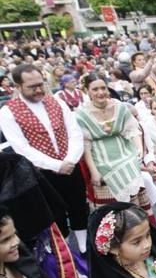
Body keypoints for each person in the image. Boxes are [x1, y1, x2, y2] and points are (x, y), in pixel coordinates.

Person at [0, 64, 89, 252]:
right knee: (54, 213)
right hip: (42, 173)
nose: (39, 90)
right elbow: (22, 148)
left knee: (78, 205)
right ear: (18, 86)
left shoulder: (57, 102)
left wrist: (70, 160)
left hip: (70, 164)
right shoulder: (7, 112)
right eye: (32, 87)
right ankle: (64, 251)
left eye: (41, 84)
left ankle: (83, 246)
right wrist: (56, 165)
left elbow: (74, 132)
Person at [75, 73, 156, 226]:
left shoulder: (119, 107)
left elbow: (133, 129)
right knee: (112, 210)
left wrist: (138, 150)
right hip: (101, 162)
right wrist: (94, 171)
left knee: (135, 200)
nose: (100, 92)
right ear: (87, 91)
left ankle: (142, 232)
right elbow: (86, 146)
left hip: (126, 156)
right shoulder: (81, 115)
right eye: (95, 89)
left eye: (103, 88)